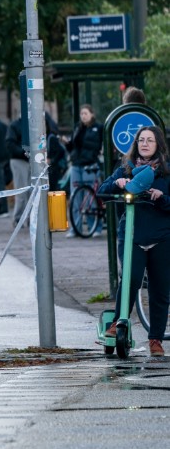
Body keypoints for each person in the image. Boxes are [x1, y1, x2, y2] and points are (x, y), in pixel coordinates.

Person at [97, 126, 170, 357]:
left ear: (158, 144)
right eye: (141, 140)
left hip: (161, 237)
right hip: (132, 236)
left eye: (150, 140)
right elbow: (102, 191)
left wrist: (162, 198)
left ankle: (156, 339)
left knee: (160, 289)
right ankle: (117, 324)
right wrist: (117, 184)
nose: (145, 144)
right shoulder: (126, 168)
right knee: (130, 280)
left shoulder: (166, 173)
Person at [65, 104, 103, 237]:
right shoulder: (77, 128)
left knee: (90, 198)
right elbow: (73, 147)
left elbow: (98, 145)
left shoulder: (98, 128)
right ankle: (76, 228)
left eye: (86, 113)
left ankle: (95, 227)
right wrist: (68, 144)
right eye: (81, 114)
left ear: (92, 114)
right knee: (76, 196)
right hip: (76, 164)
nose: (83, 116)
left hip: (90, 165)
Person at [6, 114, 30, 225]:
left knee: (30, 191)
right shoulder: (15, 126)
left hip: (30, 160)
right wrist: (22, 152)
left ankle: (29, 217)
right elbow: (10, 143)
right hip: (19, 160)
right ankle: (18, 218)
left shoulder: (34, 123)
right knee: (21, 190)